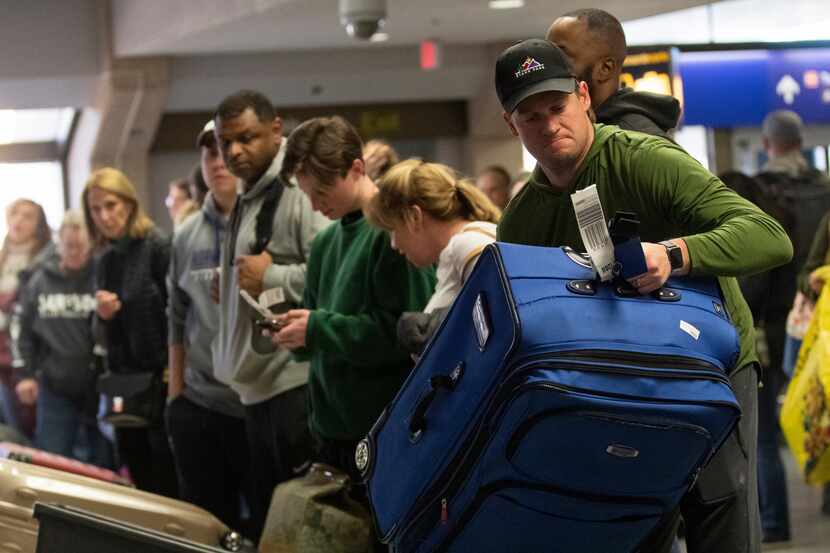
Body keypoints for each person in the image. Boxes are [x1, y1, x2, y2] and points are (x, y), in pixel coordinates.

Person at [494, 39, 792, 553]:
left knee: (719, 511)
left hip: (710, 362)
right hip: (619, 377)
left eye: (558, 107)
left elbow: (768, 236)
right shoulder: (520, 222)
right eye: (531, 115)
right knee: (632, 518)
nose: (549, 125)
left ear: (584, 96)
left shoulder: (644, 160)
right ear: (511, 123)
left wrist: (674, 255)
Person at [273, 116, 436, 548]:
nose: (314, 205)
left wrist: (319, 329)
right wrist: (296, 331)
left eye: (322, 192)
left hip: (381, 434)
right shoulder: (326, 242)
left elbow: (405, 333)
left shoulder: (391, 234)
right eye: (307, 194)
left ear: (358, 169)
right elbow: (319, 328)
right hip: (330, 433)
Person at [211, 90, 328, 540]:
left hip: (291, 384)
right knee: (268, 523)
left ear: (276, 130)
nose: (235, 151)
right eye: (226, 142)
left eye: (247, 138)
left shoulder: (296, 189)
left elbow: (326, 274)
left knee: (292, 527)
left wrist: (272, 275)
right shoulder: (248, 193)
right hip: (255, 388)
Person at [739, 110, 830, 543]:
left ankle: (775, 521)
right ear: (801, 141)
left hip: (775, 324)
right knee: (825, 403)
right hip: (823, 319)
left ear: (767, 142)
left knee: (765, 431)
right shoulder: (826, 190)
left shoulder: (758, 195)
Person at [166, 120, 251, 533]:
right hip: (199, 404)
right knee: (205, 525)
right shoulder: (186, 235)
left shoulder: (266, 221)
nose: (218, 162)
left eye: (225, 152)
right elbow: (176, 315)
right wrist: (175, 397)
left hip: (258, 404)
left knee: (266, 524)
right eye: (209, 154)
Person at [83, 167, 178, 498]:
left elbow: (179, 317)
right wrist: (104, 315)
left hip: (163, 380)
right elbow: (98, 335)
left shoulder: (158, 247)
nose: (104, 216)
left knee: (168, 481)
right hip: (125, 384)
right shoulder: (106, 260)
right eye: (96, 209)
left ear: (129, 203)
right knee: (138, 481)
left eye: (111, 205)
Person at [365, 159, 500, 354]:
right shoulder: (469, 242)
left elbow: (502, 319)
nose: (394, 244)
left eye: (393, 229)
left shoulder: (466, 246)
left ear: (414, 216)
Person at [12, 210, 107, 464]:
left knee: (103, 462)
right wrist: (26, 375)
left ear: (90, 245)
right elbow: (22, 330)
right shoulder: (39, 279)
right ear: (59, 243)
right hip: (54, 386)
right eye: (68, 246)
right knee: (53, 461)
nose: (74, 252)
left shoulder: (102, 275)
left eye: (80, 246)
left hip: (97, 386)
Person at [547, 8, 680, 138]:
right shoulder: (572, 131)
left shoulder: (637, 141)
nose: (547, 66)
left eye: (561, 55)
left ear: (605, 69)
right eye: (548, 55)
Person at [0, 199, 53, 438]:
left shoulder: (45, 262)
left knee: (29, 431)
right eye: (15, 214)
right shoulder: (2, 259)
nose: (19, 220)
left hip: (26, 361)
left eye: (28, 216)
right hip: (1, 357)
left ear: (39, 224)